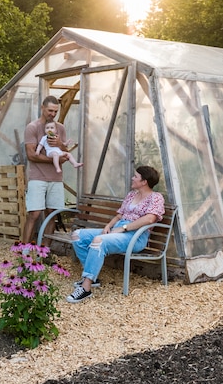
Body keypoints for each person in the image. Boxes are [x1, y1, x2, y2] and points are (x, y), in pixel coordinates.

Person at [66, 165, 165, 303]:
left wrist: (124, 228)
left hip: (135, 236)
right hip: (118, 229)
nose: (132, 178)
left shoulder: (156, 197)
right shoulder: (131, 195)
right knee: (77, 235)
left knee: (98, 241)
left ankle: (86, 288)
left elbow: (149, 219)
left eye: (135, 176)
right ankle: (91, 276)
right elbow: (119, 216)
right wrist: (108, 226)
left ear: (144, 182)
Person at [20, 96, 71, 247]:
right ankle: (24, 252)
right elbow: (31, 155)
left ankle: (45, 251)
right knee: (34, 214)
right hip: (37, 177)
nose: (52, 114)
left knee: (52, 214)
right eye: (50, 110)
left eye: (55, 111)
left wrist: (60, 144)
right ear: (42, 108)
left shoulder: (60, 128)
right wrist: (54, 159)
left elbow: (65, 153)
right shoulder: (33, 127)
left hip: (56, 178)